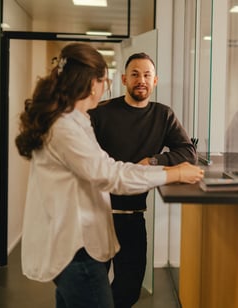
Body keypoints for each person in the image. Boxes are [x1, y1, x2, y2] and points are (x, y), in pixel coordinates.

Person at [15, 43, 204, 308]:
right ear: (92, 83)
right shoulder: (66, 128)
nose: (106, 86)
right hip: (75, 246)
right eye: (106, 80)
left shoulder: (75, 121)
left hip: (81, 238)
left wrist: (161, 165)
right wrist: (171, 173)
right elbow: (109, 175)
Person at [88, 52, 197, 308]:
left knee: (129, 289)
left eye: (147, 75)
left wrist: (152, 161)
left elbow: (188, 153)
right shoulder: (100, 113)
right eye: (135, 74)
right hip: (96, 214)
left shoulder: (163, 115)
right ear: (124, 79)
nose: (141, 80)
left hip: (133, 215)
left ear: (155, 80)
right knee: (92, 290)